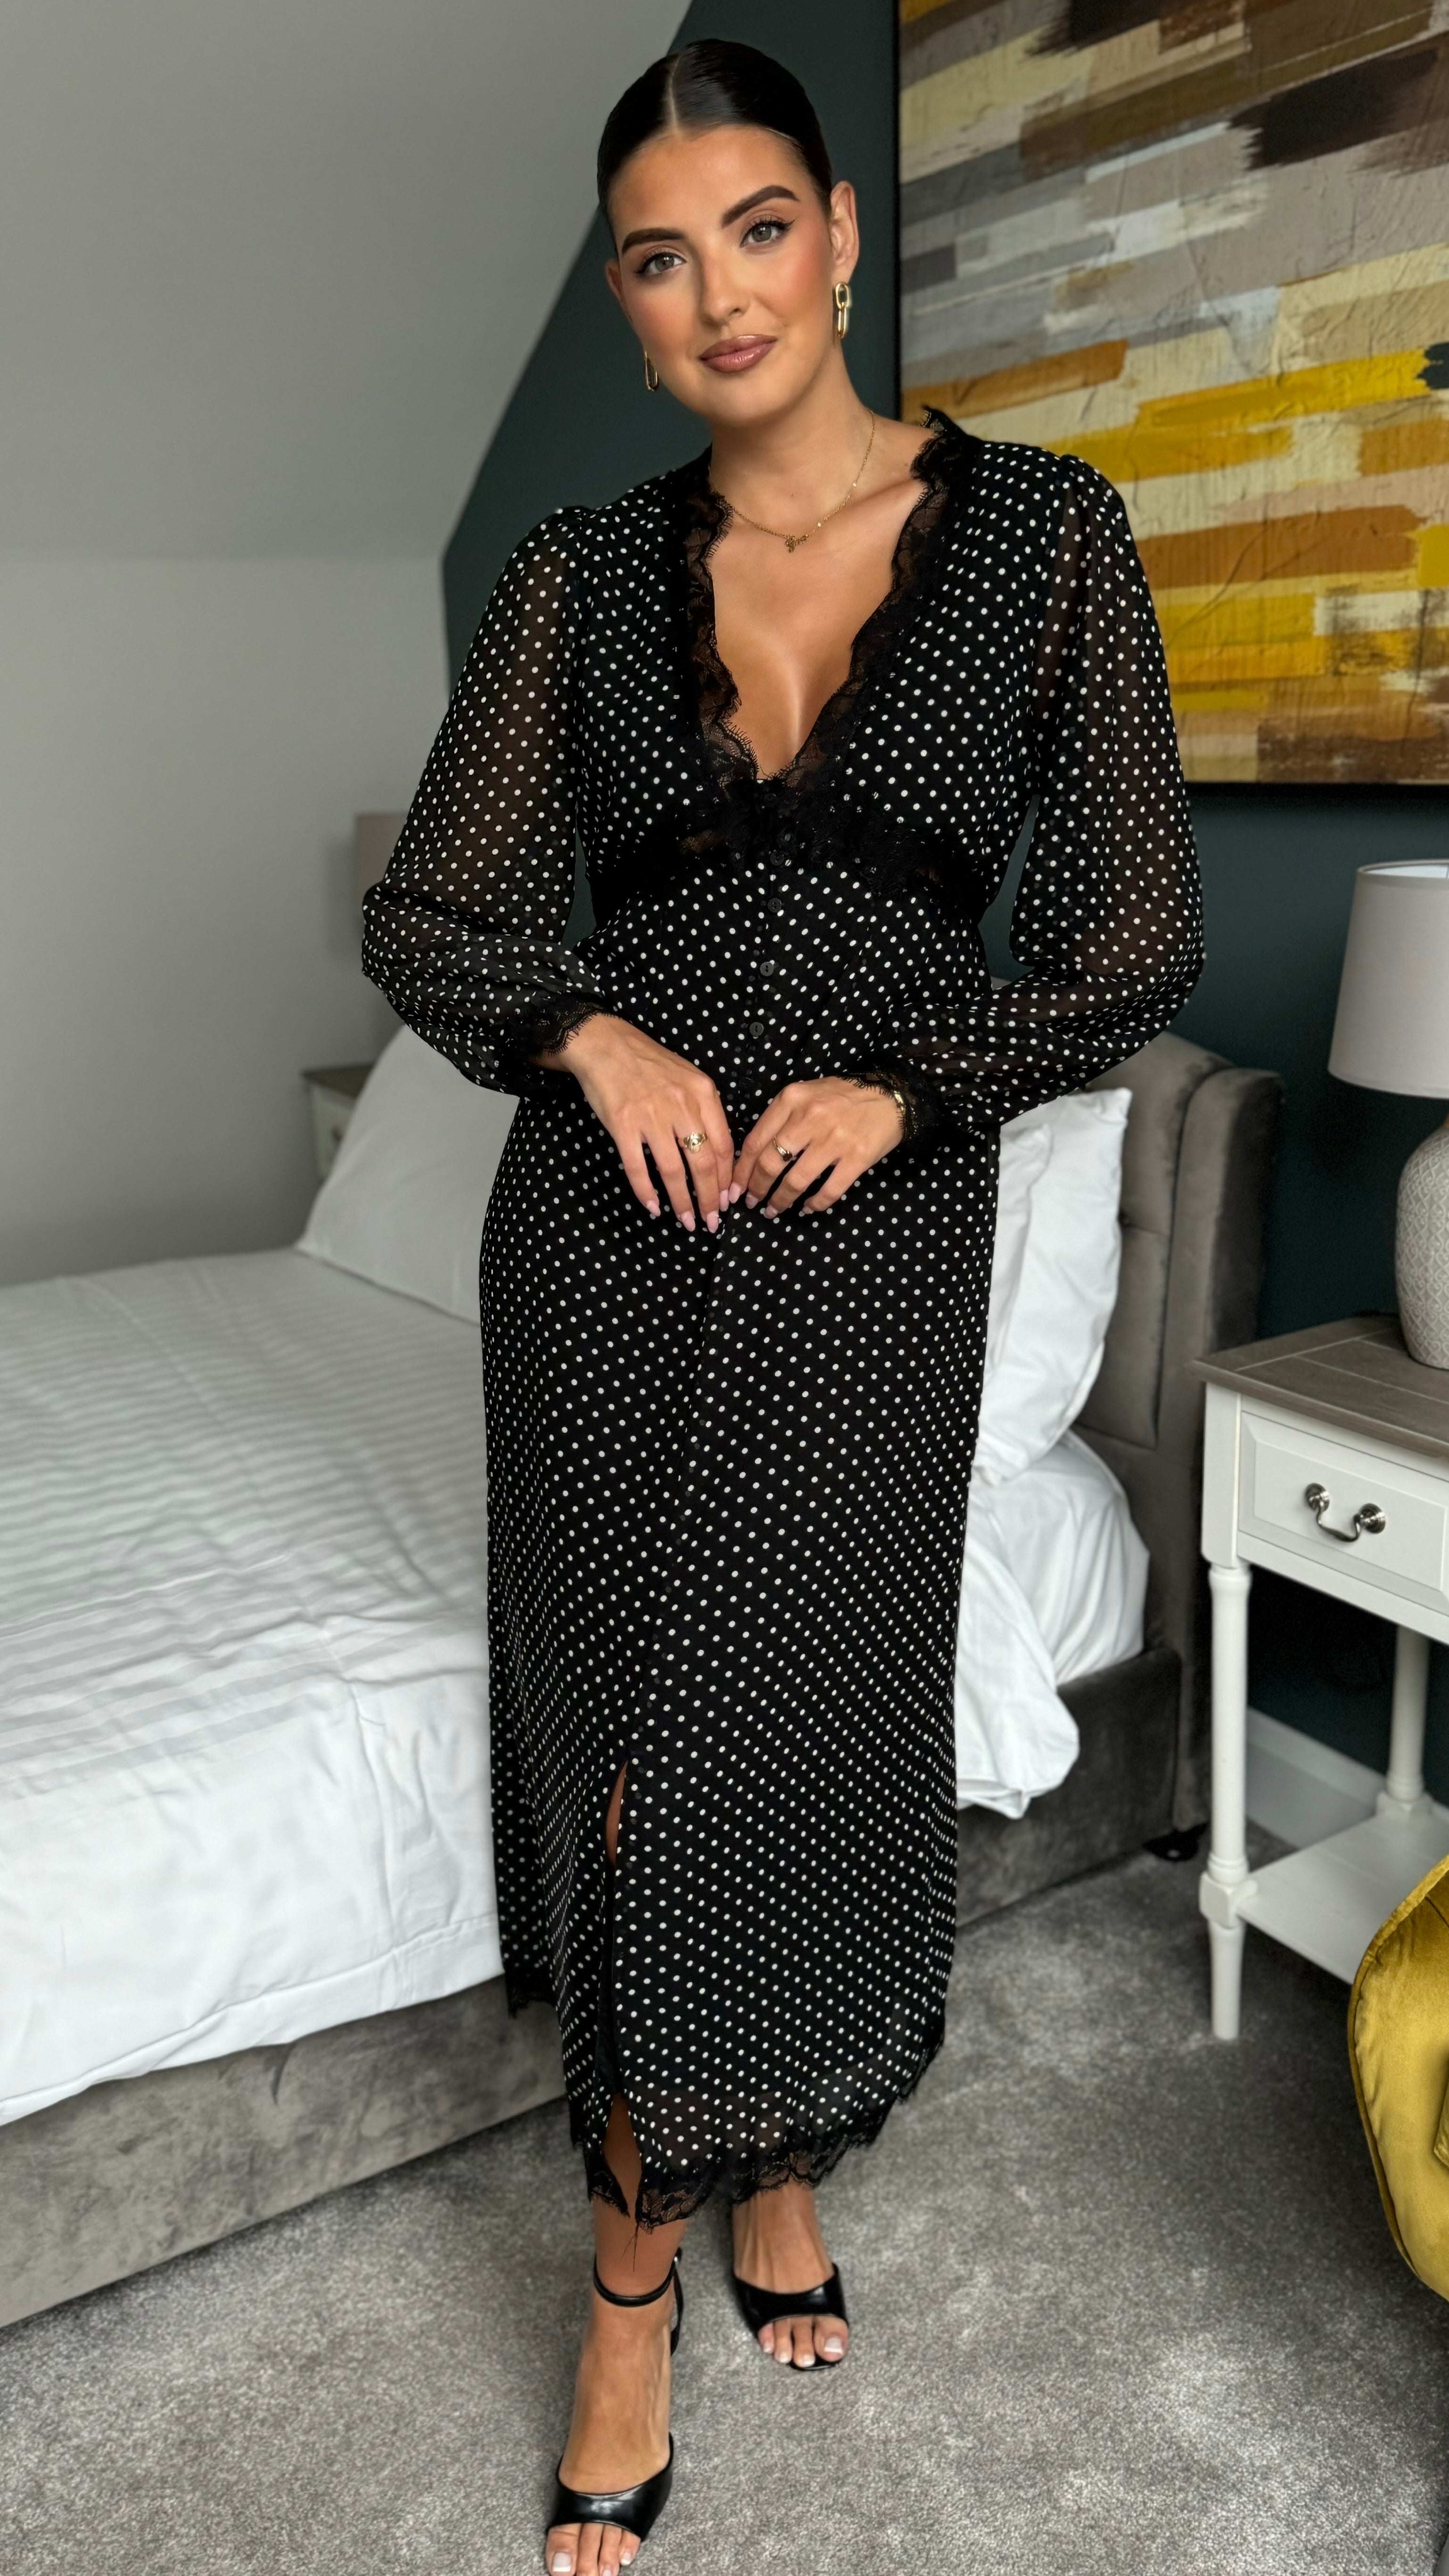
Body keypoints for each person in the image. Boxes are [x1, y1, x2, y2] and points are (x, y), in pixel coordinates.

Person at [361, 37, 1203, 2574]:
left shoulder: (1047, 541)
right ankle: (630, 2287)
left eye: (752, 229)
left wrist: (916, 1083)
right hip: (604, 1242)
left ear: (837, 237)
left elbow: (1131, 938)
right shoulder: (574, 579)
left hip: (865, 1248)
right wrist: (590, 1029)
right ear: (629, 313)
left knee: (812, 1740)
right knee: (631, 1760)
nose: (714, 292)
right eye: (657, 258)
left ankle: (783, 2156)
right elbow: (432, 913)